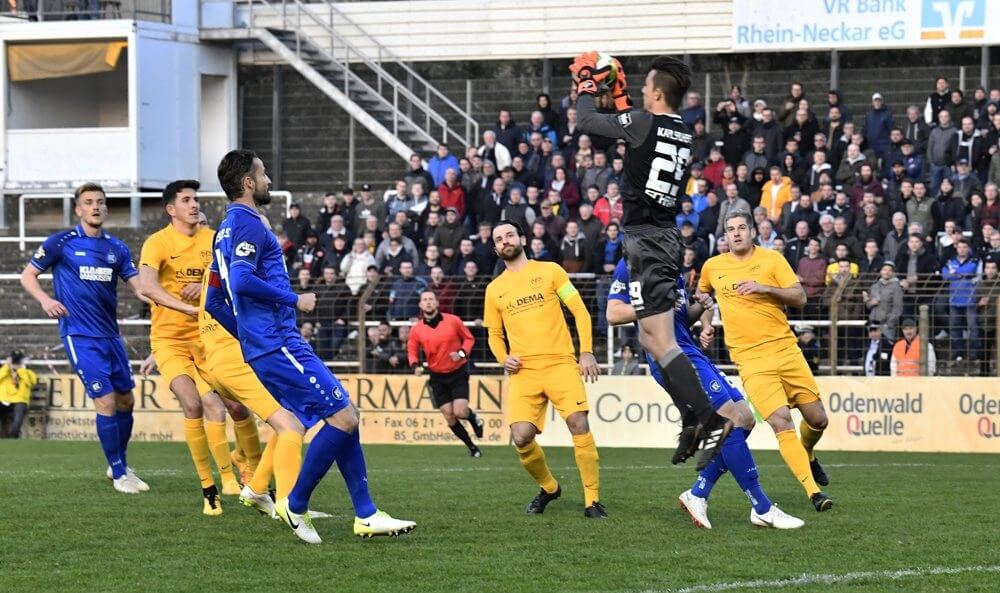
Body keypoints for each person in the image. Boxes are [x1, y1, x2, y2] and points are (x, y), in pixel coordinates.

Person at [210, 150, 414, 543]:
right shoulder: (248, 223)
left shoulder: (224, 231)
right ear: (248, 183)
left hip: (269, 344)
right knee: (345, 418)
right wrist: (294, 301)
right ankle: (296, 503)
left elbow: (214, 302)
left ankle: (366, 513)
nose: (268, 180)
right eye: (264, 174)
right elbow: (240, 280)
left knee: (344, 416)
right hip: (278, 342)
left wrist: (251, 336)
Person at [572, 52, 731, 462]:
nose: (640, 92)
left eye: (645, 88)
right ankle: (690, 418)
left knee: (658, 339)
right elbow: (638, 137)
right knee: (649, 337)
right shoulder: (681, 130)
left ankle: (710, 418)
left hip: (649, 241)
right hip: (659, 238)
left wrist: (587, 84)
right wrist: (622, 97)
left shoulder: (643, 123)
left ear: (658, 93)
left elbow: (587, 122)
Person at [607, 259, 804, 529]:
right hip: (670, 356)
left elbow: (679, 317)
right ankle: (762, 506)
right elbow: (613, 314)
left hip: (690, 349)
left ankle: (698, 493)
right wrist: (654, 305)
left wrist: (700, 306)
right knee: (729, 418)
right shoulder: (631, 264)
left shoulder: (670, 264)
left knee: (745, 418)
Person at [697, 210, 834, 512]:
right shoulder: (713, 266)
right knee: (780, 422)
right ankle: (814, 492)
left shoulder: (772, 260)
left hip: (786, 350)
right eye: (730, 229)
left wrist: (765, 288)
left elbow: (800, 297)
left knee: (818, 419)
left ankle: (808, 452)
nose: (736, 233)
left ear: (752, 231)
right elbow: (702, 296)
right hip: (751, 360)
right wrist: (707, 323)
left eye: (741, 228)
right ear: (725, 235)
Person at [138, 180, 259, 512]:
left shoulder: (214, 239)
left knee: (237, 406)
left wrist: (204, 284)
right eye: (186, 200)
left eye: (196, 199)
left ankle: (248, 468)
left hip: (210, 338)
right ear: (171, 209)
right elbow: (146, 286)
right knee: (195, 405)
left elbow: (234, 277)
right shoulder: (157, 243)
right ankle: (211, 489)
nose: (194, 204)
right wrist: (186, 306)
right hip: (170, 341)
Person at [20, 183, 148, 494]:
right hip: (79, 335)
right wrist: (45, 300)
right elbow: (27, 275)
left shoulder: (116, 248)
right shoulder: (61, 243)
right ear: (78, 209)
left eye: (100, 202)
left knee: (126, 400)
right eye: (88, 202)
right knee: (104, 400)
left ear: (105, 209)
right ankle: (119, 475)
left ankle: (119, 462)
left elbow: (140, 288)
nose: (95, 207)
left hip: (110, 336)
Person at [484, 221, 604, 518]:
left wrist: (586, 352)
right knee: (521, 436)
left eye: (510, 235)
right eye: (499, 239)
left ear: (523, 239)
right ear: (495, 248)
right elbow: (493, 335)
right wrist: (503, 358)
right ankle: (550, 488)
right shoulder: (494, 289)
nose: (505, 241)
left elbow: (579, 310)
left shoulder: (550, 271)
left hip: (560, 363)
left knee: (578, 422)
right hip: (524, 371)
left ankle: (592, 501)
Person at [408, 290, 484, 457]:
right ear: (420, 305)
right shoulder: (417, 329)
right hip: (437, 376)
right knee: (449, 415)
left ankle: (473, 418)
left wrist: (462, 353)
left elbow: (469, 338)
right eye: (424, 300)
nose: (428, 302)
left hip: (458, 372)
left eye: (431, 299)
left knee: (460, 412)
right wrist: (415, 366)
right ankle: (472, 447)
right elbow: (412, 350)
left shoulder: (453, 320)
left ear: (437, 303)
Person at [0, 351, 37, 438]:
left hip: (20, 400)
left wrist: (21, 370)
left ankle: (13, 437)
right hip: (3, 400)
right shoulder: (4, 371)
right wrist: (7, 367)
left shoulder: (27, 372)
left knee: (18, 416)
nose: (15, 363)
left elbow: (32, 383)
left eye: (17, 361)